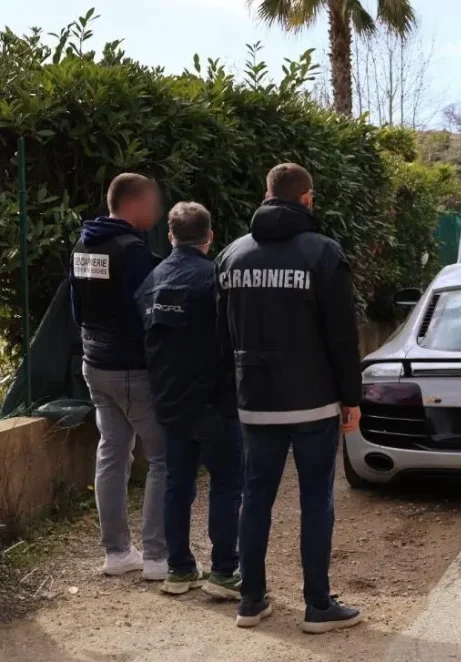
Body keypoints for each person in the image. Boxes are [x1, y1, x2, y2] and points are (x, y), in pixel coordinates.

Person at [216, 163, 363, 633]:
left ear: (266, 196)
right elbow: (342, 334)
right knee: (316, 499)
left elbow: (221, 335)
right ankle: (318, 605)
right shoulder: (323, 253)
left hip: (255, 399)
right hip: (313, 399)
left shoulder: (232, 255)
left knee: (255, 497)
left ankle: (251, 601)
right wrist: (351, 396)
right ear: (306, 199)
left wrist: (232, 392)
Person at [135, 202, 243, 599]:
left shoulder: (150, 281)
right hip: (215, 401)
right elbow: (231, 337)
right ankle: (224, 572)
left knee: (177, 485)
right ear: (210, 236)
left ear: (170, 236)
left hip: (170, 402)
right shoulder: (215, 279)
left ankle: (179, 569)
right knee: (227, 485)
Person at [70, 173, 168, 580]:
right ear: (133, 203)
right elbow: (148, 315)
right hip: (131, 367)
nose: (158, 210)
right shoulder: (132, 253)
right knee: (163, 457)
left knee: (112, 451)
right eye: (153, 201)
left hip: (94, 363)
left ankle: (117, 552)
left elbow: (77, 310)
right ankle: (158, 557)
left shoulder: (82, 245)